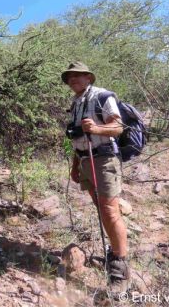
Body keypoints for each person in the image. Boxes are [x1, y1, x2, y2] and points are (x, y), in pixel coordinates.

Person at [61, 61, 130, 295]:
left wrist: (98, 129)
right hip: (84, 160)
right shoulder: (76, 102)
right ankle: (115, 250)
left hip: (103, 159)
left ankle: (120, 267)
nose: (73, 80)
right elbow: (77, 136)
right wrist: (74, 165)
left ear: (89, 77)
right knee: (102, 208)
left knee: (110, 211)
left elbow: (118, 127)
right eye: (70, 77)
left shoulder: (102, 96)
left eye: (78, 76)